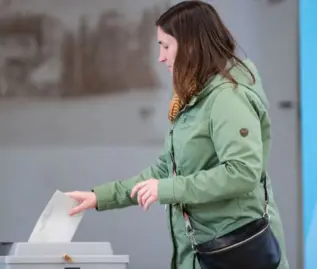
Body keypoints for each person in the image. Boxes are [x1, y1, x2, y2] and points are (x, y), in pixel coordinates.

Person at [65, 1, 289, 269]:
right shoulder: (195, 98)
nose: (160, 57)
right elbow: (166, 169)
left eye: (166, 46)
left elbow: (242, 172)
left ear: (191, 45)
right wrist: (100, 197)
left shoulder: (228, 97)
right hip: (203, 253)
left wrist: (168, 189)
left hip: (233, 252)